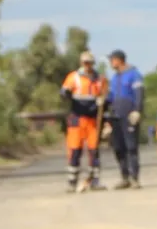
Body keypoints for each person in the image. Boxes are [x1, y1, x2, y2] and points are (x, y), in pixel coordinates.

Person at [60, 50, 108, 193]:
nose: (88, 65)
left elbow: (106, 96)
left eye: (90, 63)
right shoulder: (73, 77)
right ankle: (72, 182)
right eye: (85, 63)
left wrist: (103, 102)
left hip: (93, 119)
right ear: (81, 63)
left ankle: (94, 181)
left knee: (94, 150)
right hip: (77, 118)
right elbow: (64, 92)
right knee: (75, 150)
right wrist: (66, 93)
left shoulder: (100, 79)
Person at [107, 49, 145, 189]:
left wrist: (137, 110)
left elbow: (139, 93)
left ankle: (135, 178)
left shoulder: (134, 75)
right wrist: (103, 101)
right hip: (115, 116)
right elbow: (111, 96)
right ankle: (125, 177)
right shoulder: (114, 78)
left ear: (119, 60)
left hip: (129, 116)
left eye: (112, 59)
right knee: (118, 147)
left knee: (131, 147)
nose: (111, 63)